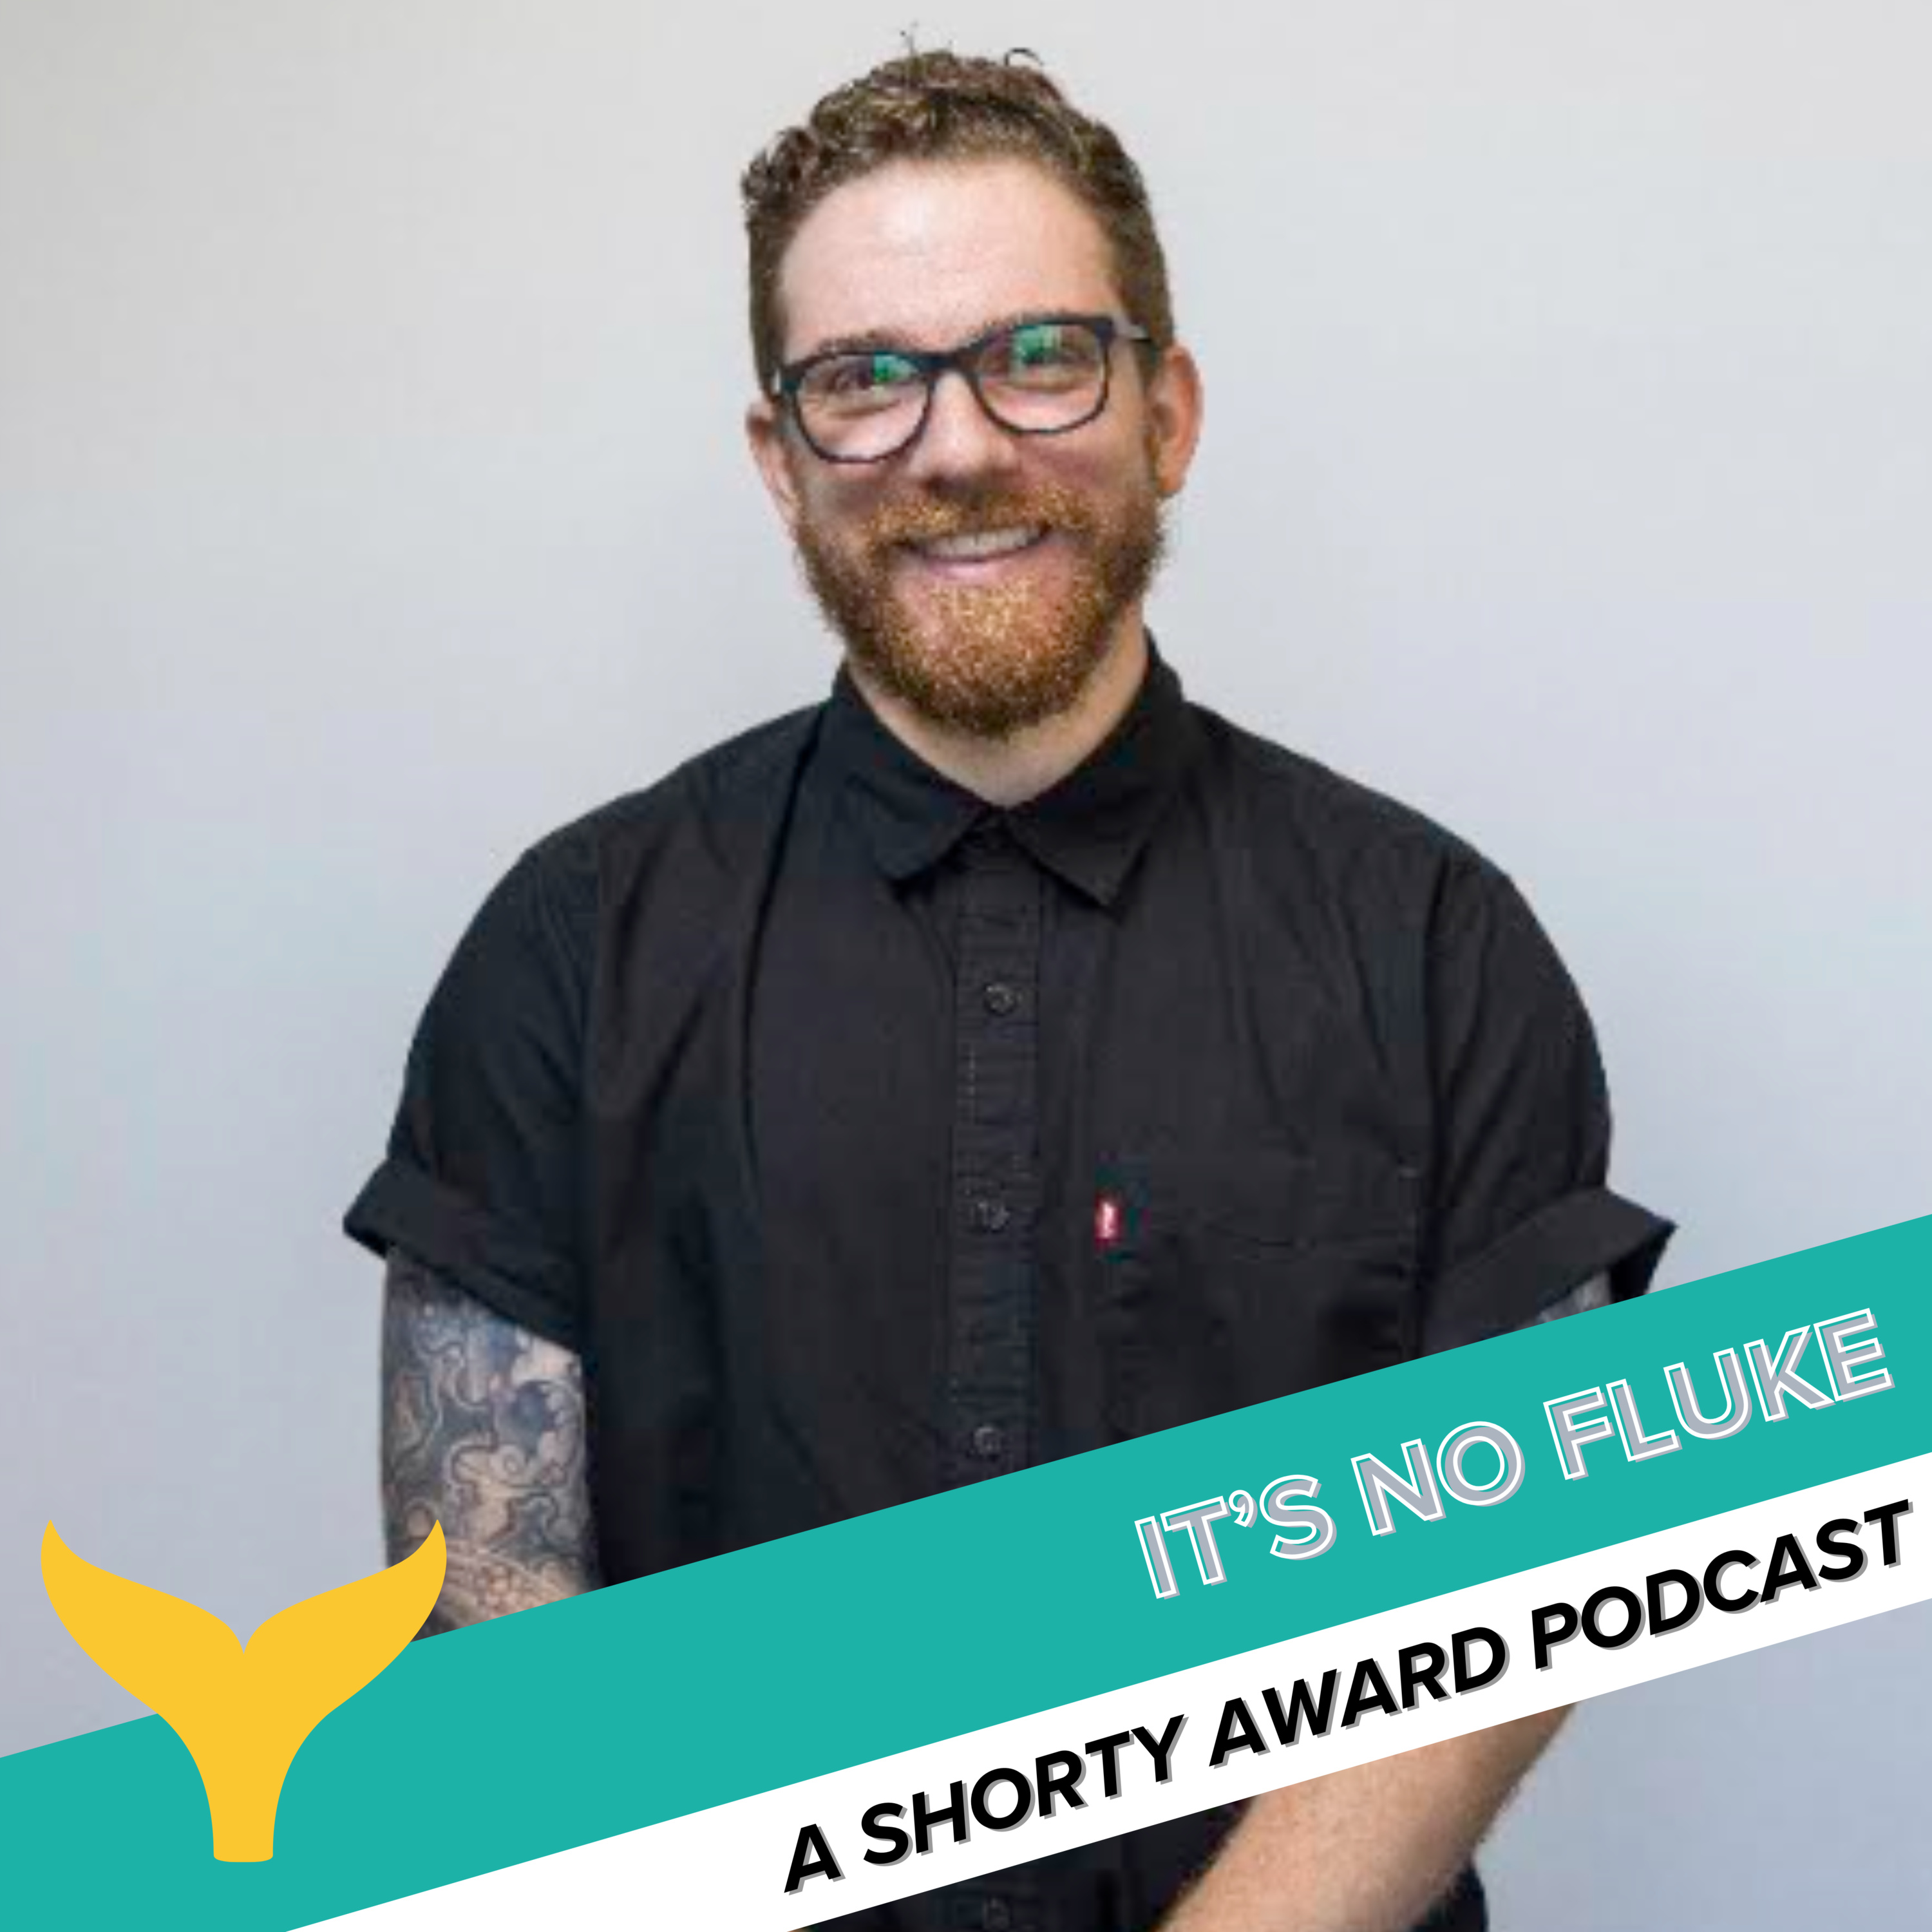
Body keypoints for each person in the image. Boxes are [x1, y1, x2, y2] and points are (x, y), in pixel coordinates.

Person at [346, 46, 1672, 1932]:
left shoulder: (1437, 946)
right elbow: (492, 1651)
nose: (956, 446)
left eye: (1038, 356)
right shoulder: (567, 956)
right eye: (863, 379)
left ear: (1168, 412)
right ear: (781, 463)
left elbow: (1513, 1596)